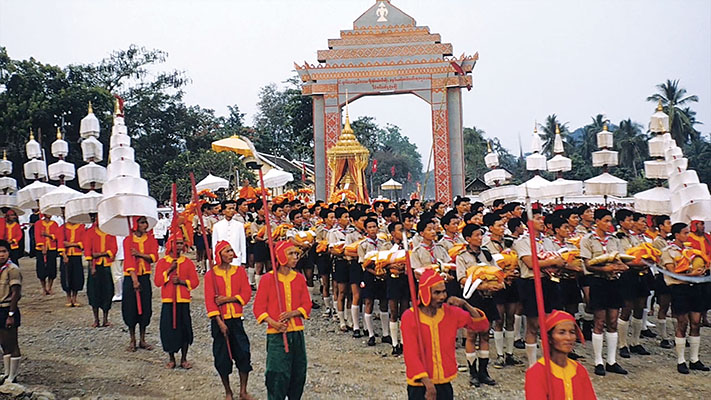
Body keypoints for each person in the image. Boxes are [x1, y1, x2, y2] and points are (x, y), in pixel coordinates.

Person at [401, 268, 489, 400]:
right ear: (425, 293)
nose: (442, 296)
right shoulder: (410, 317)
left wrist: (465, 304)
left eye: (444, 292)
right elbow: (411, 355)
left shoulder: (450, 313)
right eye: (437, 292)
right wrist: (428, 385)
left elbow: (481, 326)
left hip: (444, 383)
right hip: (420, 384)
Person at [253, 240, 311, 400]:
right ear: (280, 256)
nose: (295, 257)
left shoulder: (299, 278)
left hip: (297, 332)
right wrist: (274, 323)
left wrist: (293, 313)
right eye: (291, 254)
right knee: (276, 372)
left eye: (296, 254)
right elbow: (258, 308)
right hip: (276, 334)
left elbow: (307, 304)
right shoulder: (267, 279)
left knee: (298, 371)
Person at [513, 208, 565, 367]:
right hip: (531, 284)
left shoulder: (548, 241)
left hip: (550, 282)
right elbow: (530, 263)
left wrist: (555, 264)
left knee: (551, 322)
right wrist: (552, 262)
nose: (541, 221)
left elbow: (560, 260)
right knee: (533, 324)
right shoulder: (522, 241)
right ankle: (532, 363)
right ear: (529, 223)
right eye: (537, 218)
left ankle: (549, 360)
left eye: (541, 218)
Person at [580, 209, 628, 376]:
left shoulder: (614, 240)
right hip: (598, 281)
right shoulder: (588, 240)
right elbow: (587, 264)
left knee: (613, 320)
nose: (609, 224)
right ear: (597, 222)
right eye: (606, 221)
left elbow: (620, 258)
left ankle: (612, 361)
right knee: (599, 321)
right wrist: (606, 268)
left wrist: (621, 266)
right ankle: (598, 360)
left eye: (610, 221)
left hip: (614, 282)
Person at [205, 241, 254, 400]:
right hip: (220, 321)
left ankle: (243, 391)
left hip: (236, 320)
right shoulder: (211, 275)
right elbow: (210, 300)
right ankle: (228, 391)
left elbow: (246, 293)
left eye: (232, 250)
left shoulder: (239, 271)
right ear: (219, 255)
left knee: (243, 353)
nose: (231, 253)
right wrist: (219, 322)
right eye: (227, 251)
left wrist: (228, 299)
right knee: (222, 357)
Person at [661, 222, 710, 374]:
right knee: (682, 323)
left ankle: (694, 359)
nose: (687, 235)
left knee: (696, 322)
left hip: (694, 288)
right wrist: (692, 275)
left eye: (688, 232)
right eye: (684, 232)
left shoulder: (690, 251)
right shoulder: (668, 251)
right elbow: (672, 273)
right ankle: (681, 360)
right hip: (679, 288)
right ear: (676, 235)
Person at [455, 223, 500, 387]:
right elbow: (461, 279)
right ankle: (472, 372)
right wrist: (481, 285)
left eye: (481, 235)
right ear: (468, 239)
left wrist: (497, 283)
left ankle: (484, 371)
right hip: (472, 300)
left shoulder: (487, 255)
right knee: (471, 335)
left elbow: (496, 272)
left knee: (485, 334)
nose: (480, 238)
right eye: (476, 235)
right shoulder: (462, 257)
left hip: (488, 298)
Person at [524, 310, 597, 400]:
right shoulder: (537, 373)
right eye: (561, 332)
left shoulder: (579, 370)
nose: (568, 337)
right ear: (549, 338)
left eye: (572, 332)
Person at [155, 232, 199, 369]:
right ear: (170, 244)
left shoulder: (188, 262)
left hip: (183, 300)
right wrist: (169, 271)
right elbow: (157, 281)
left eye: (181, 243)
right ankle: (171, 358)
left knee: (185, 328)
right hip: (168, 300)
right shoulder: (163, 262)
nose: (179, 246)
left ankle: (184, 358)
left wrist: (182, 282)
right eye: (176, 243)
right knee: (169, 329)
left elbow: (195, 281)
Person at [122, 216, 158, 352]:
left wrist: (140, 254)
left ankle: (143, 339)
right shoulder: (128, 240)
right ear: (135, 224)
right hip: (131, 278)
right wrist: (134, 280)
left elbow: (154, 257)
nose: (145, 225)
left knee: (145, 307)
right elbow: (129, 260)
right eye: (142, 222)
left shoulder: (150, 239)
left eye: (145, 222)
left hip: (145, 276)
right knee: (131, 308)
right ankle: (132, 339)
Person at [358, 217, 392, 346]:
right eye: (370, 227)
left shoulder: (383, 243)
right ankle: (371, 334)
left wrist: (383, 273)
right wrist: (376, 272)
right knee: (369, 302)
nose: (373, 229)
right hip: (369, 275)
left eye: (374, 227)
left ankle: (385, 333)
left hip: (383, 275)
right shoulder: (363, 245)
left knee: (384, 303)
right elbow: (363, 264)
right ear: (366, 229)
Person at [84, 215, 118, 328]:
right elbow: (88, 251)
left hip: (106, 265)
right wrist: (91, 267)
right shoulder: (90, 232)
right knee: (94, 292)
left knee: (107, 291)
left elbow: (114, 249)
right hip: (95, 266)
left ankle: (105, 319)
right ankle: (96, 319)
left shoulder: (110, 232)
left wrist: (100, 254)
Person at [0, 240, 22, 383]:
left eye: (4, 251)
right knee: (3, 343)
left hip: (8, 308)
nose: (1, 255)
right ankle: (7, 373)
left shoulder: (12, 269)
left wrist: (11, 314)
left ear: (9, 252)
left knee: (12, 343)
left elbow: (16, 293)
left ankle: (13, 375)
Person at [387, 221, 410, 355]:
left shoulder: (409, 245)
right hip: (393, 279)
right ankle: (395, 343)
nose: (403, 233)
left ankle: (404, 341)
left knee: (405, 310)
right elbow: (381, 260)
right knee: (394, 310)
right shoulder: (386, 245)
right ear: (392, 233)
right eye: (400, 230)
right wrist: (391, 266)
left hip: (405, 279)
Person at [212, 200, 248, 284]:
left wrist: (243, 260)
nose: (232, 211)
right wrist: (215, 260)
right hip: (222, 259)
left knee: (236, 282)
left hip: (236, 258)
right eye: (229, 209)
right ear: (224, 211)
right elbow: (214, 244)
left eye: (233, 209)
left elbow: (242, 243)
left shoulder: (239, 225)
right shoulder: (217, 226)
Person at [34, 213, 62, 295]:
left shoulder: (54, 224)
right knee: (41, 268)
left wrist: (48, 235)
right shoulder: (38, 223)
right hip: (40, 249)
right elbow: (37, 236)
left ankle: (50, 287)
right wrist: (42, 246)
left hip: (52, 248)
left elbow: (57, 235)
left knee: (51, 267)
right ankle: (43, 287)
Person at [60, 221, 85, 307]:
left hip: (76, 255)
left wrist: (70, 244)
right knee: (66, 276)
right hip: (66, 255)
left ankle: (74, 297)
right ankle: (68, 297)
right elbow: (61, 242)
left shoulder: (81, 227)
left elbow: (83, 241)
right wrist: (64, 255)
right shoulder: (63, 227)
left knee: (76, 276)